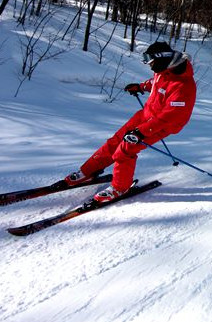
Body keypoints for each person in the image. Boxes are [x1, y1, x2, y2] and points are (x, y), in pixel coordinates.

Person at [64, 41, 197, 202]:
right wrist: (141, 87)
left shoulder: (183, 85)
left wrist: (141, 132)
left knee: (126, 148)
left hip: (163, 124)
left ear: (162, 59)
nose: (150, 66)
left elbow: (169, 116)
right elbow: (155, 82)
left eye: (151, 62)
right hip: (146, 114)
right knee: (116, 140)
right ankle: (88, 171)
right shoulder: (164, 69)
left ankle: (120, 188)